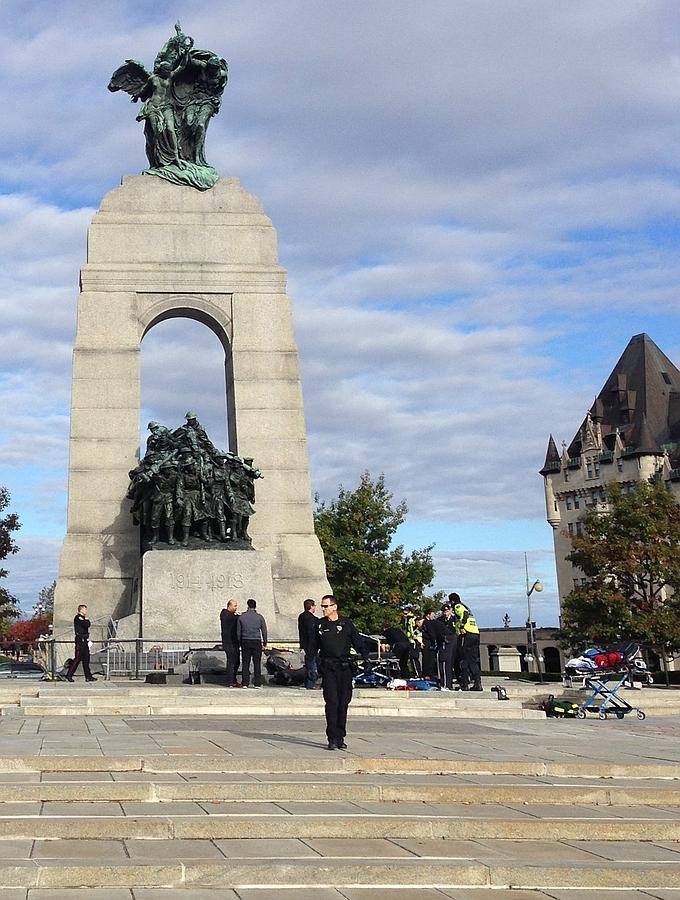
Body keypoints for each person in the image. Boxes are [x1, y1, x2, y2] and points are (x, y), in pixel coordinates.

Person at [314, 594, 369, 751]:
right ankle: (332, 738)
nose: (323, 609)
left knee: (343, 702)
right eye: (322, 606)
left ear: (334, 607)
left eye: (326, 606)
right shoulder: (320, 625)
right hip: (329, 668)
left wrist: (366, 659)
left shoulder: (346, 624)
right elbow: (313, 647)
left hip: (344, 668)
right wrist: (311, 667)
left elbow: (358, 642)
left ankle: (340, 736)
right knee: (332, 702)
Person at [451, 592, 482, 691]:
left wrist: (461, 626)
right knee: (473, 660)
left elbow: (464, 615)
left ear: (452, 600)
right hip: (475, 634)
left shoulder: (458, 606)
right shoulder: (467, 607)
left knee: (463, 659)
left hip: (466, 634)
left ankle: (464, 684)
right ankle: (477, 683)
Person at [236, 598, 267, 688]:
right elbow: (264, 631)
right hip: (256, 641)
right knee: (257, 663)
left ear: (248, 605)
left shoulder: (242, 617)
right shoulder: (260, 617)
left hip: (245, 640)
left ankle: (245, 683)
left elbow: (238, 632)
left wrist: (239, 642)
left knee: (245, 663)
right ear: (255, 606)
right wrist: (265, 642)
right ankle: (257, 683)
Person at [65, 604, 97, 682]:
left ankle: (88, 676)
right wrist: (86, 619)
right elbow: (86, 624)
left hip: (85, 640)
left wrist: (86, 620)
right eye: (84, 609)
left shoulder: (84, 618)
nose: (86, 611)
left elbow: (88, 624)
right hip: (80, 640)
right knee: (78, 658)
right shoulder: (78, 618)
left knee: (86, 659)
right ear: (81, 610)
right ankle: (69, 675)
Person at [434, 603, 457, 691]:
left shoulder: (454, 619)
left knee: (451, 663)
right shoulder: (440, 620)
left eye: (447, 611)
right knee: (444, 662)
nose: (446, 613)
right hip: (444, 642)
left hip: (453, 642)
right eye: (444, 612)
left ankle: (449, 684)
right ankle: (445, 684)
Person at [298, 598, 319, 690]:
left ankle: (307, 682)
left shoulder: (301, 616)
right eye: (314, 606)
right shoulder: (312, 619)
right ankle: (311, 683)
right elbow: (311, 633)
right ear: (311, 606)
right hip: (311, 645)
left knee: (308, 664)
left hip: (304, 644)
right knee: (312, 664)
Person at [220, 599, 240, 687]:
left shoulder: (232, 615)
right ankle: (231, 681)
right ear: (229, 606)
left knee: (236, 662)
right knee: (232, 662)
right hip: (229, 642)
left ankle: (233, 680)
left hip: (234, 642)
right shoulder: (225, 614)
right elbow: (233, 618)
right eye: (235, 606)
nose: (236, 607)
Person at [402, 605, 423, 677]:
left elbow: (419, 628)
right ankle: (415, 674)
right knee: (412, 658)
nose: (404, 614)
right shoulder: (407, 619)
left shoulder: (414, 619)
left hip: (415, 641)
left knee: (414, 658)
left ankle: (418, 674)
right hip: (410, 641)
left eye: (406, 612)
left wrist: (415, 636)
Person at [420, 610, 439, 678]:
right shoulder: (426, 623)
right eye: (432, 615)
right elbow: (430, 633)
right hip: (427, 642)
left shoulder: (432, 622)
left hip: (431, 642)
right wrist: (434, 639)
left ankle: (431, 673)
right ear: (428, 615)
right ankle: (426, 673)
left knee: (431, 658)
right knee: (426, 658)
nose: (433, 616)